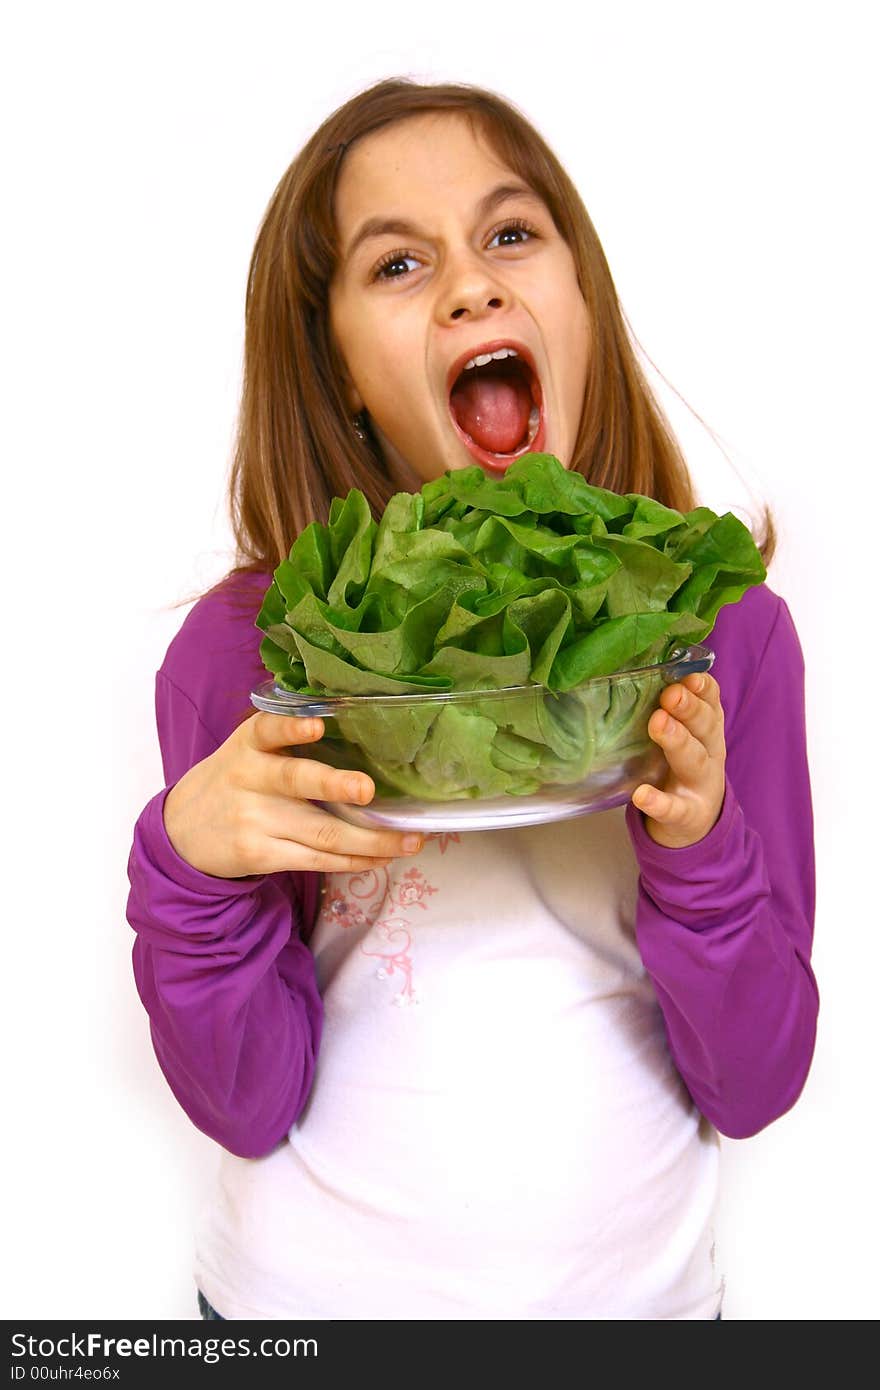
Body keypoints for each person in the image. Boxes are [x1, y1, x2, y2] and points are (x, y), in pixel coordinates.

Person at [125, 77, 818, 1322]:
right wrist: (187, 865)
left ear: (581, 303)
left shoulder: (723, 637)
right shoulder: (251, 650)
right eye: (398, 263)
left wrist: (700, 844)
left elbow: (753, 1084)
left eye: (510, 234)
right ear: (334, 367)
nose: (471, 284)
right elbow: (247, 1101)